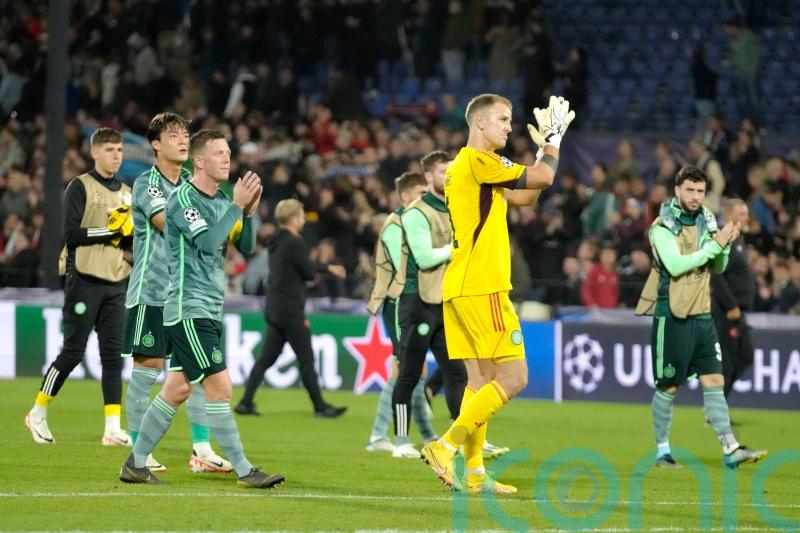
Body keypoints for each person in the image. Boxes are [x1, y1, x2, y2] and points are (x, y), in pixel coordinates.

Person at [420, 94, 574, 493]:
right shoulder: (478, 160)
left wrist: (540, 155)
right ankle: (444, 445)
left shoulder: (462, 168)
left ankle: (474, 476)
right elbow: (543, 178)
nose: (510, 126)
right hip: (482, 285)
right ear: (480, 124)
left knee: (480, 379)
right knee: (515, 376)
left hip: (460, 286)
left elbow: (524, 193)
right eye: (503, 119)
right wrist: (553, 142)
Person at [119, 129, 283, 488]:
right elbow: (209, 244)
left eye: (228, 153)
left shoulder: (222, 201)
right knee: (220, 386)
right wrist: (238, 206)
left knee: (176, 390)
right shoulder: (182, 199)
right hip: (186, 308)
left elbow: (248, 247)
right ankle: (244, 470)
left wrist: (249, 214)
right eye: (219, 153)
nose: (227, 159)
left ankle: (135, 463)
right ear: (199, 161)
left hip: (209, 308)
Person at [635, 166, 766, 469]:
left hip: (703, 315)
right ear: (678, 190)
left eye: (700, 191)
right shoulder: (661, 227)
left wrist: (725, 245)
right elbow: (677, 265)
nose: (695, 197)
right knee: (669, 386)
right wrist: (716, 245)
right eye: (690, 190)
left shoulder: (707, 220)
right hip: (673, 315)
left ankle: (730, 448)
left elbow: (717, 267)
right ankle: (663, 452)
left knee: (715, 381)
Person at [122, 112, 232, 473]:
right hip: (152, 290)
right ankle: (141, 450)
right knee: (148, 367)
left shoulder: (192, 183)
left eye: (185, 134)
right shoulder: (147, 185)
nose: (182, 140)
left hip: (188, 294)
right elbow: (171, 224)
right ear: (155, 144)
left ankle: (201, 450)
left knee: (197, 370)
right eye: (173, 135)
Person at [26, 128, 133, 446]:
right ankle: (38, 412)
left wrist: (129, 251)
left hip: (116, 283)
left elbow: (128, 239)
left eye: (119, 149)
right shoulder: (79, 186)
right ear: (95, 153)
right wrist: (110, 231)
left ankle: (112, 428)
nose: (116, 155)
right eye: (110, 149)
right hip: (83, 280)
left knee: (113, 357)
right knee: (72, 352)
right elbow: (71, 234)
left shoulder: (128, 192)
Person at [390, 154, 471, 459]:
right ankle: (401, 441)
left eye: (452, 171)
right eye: (442, 171)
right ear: (428, 178)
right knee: (409, 375)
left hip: (444, 303)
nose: (449, 176)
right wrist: (459, 248)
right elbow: (424, 258)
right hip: (417, 303)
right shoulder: (415, 213)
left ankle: (458, 439)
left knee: (457, 373)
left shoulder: (455, 208)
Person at [235, 199, 347, 418]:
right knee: (306, 358)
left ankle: (245, 402)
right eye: (302, 215)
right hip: (290, 310)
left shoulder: (275, 241)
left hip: (275, 307)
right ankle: (320, 407)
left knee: (267, 358)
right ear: (294, 218)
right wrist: (328, 267)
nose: (303, 219)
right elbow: (307, 271)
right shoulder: (294, 242)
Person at [365, 171, 431, 454]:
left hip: (418, 301)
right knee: (404, 368)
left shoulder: (418, 221)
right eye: (420, 193)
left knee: (418, 368)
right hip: (399, 301)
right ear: (405, 196)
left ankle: (427, 436)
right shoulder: (397, 225)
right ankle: (385, 436)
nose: (425, 199)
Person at [711, 199, 755, 402]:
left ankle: (717, 407)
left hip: (737, 312)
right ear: (729, 216)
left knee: (745, 356)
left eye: (746, 214)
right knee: (727, 363)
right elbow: (716, 275)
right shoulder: (724, 239)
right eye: (742, 214)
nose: (746, 218)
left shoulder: (737, 240)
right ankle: (715, 410)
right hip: (727, 312)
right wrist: (731, 305)